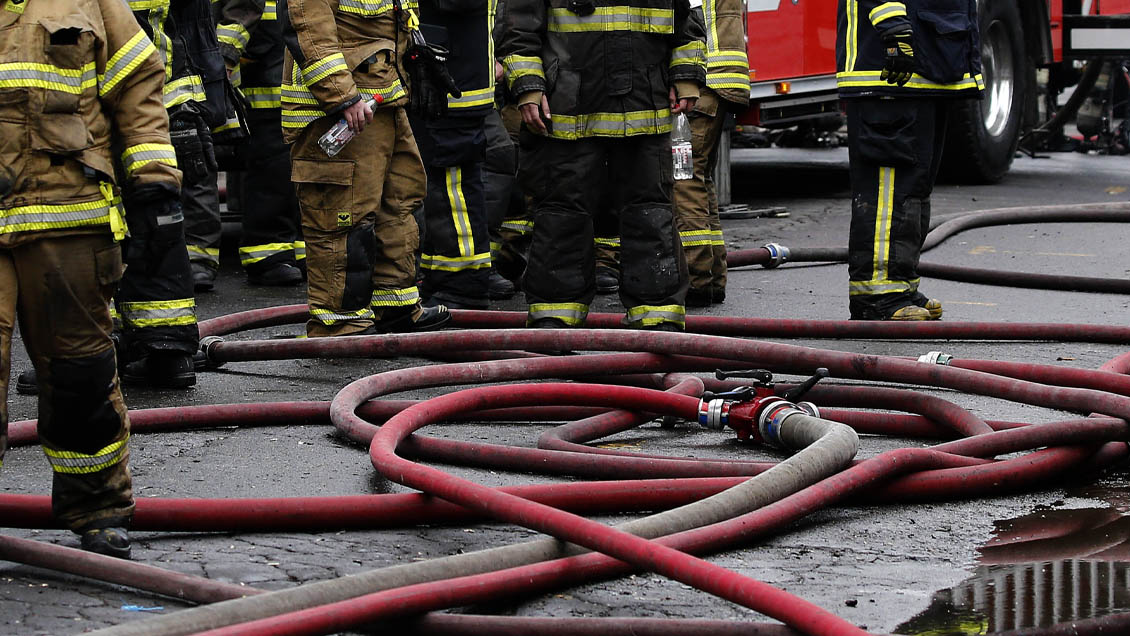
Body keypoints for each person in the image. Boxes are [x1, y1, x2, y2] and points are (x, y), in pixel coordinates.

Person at [0, 0, 182, 558]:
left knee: (80, 372)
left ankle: (98, 507)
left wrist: (152, 184)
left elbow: (137, 87)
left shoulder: (92, 3)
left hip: (71, 216)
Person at [499, 0, 706, 331]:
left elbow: (689, 21)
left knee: (649, 211)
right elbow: (518, 29)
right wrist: (528, 87)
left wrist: (687, 77)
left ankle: (656, 315)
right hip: (569, 110)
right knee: (562, 210)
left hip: (644, 106)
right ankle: (555, 314)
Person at [281, 0, 455, 336]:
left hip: (383, 103)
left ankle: (395, 305)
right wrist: (341, 96)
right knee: (343, 215)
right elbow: (310, 26)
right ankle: (341, 321)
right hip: (339, 112)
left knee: (400, 203)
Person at [836, 0, 982, 320]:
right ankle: (876, 296)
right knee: (889, 191)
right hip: (890, 69)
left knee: (913, 188)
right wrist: (893, 28)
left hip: (926, 66)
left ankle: (899, 286)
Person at [411, 0, 501, 310]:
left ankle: (464, 283)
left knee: (453, 188)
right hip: (445, 79)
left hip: (451, 86)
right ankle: (441, 276)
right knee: (438, 188)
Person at [676, 0, 750, 307]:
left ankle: (696, 278)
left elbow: (686, 16)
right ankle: (713, 277)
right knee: (701, 179)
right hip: (719, 77)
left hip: (704, 77)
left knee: (684, 177)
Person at [234, 0, 306, 286]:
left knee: (308, 171)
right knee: (272, 173)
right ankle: (266, 255)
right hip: (267, 83)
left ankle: (303, 249)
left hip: (306, 85)